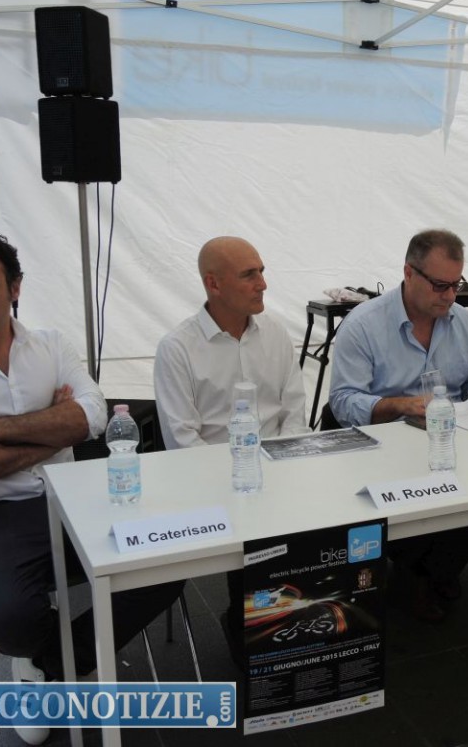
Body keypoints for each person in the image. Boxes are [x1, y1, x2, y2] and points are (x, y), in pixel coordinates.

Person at [0, 231, 184, 745]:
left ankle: (48, 666)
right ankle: (42, 656)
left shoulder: (52, 345)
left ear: (15, 288)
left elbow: (94, 416)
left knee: (166, 566)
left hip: (72, 496)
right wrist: (55, 426)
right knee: (10, 619)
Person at [329, 229, 468, 622]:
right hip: (384, 449)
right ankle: (425, 571)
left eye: (457, 285)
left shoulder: (466, 324)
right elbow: (342, 402)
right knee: (414, 496)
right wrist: (398, 405)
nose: (450, 296)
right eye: (440, 285)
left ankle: (428, 571)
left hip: (452, 442)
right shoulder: (363, 325)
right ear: (408, 273)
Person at [154, 235, 308, 654]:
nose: (263, 284)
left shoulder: (275, 334)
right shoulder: (177, 349)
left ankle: (302, 629)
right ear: (214, 284)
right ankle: (255, 633)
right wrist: (242, 480)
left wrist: (283, 468)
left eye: (262, 272)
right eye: (249, 275)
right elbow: (182, 442)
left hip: (280, 469)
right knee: (260, 535)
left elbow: (295, 412)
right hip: (215, 484)